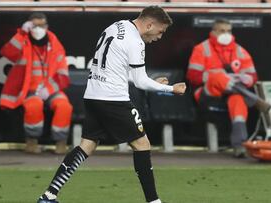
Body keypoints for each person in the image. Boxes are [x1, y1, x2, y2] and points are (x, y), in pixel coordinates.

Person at [37, 6, 186, 203]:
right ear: (149, 25)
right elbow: (140, 82)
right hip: (113, 99)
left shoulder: (116, 26)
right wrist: (170, 89)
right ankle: (154, 201)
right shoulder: (135, 42)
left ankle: (49, 195)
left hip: (93, 95)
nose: (159, 37)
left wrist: (153, 82)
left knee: (87, 146)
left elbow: (120, 70)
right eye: (160, 31)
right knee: (142, 144)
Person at [186, 19, 271, 158]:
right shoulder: (202, 49)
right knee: (218, 75)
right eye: (222, 31)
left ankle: (239, 145)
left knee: (238, 101)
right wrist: (212, 75)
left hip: (231, 94)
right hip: (208, 94)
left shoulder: (239, 50)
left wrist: (246, 78)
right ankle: (254, 100)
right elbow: (192, 76)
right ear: (213, 32)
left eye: (229, 31)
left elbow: (253, 76)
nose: (226, 34)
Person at [0, 12, 72, 154]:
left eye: (41, 25)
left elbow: (63, 74)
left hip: (50, 90)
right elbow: (8, 52)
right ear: (29, 26)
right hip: (29, 90)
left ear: (47, 26)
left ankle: (61, 143)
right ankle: (31, 142)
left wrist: (49, 89)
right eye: (35, 25)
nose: (38, 29)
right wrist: (21, 33)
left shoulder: (54, 44)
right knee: (34, 105)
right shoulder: (23, 40)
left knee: (64, 106)